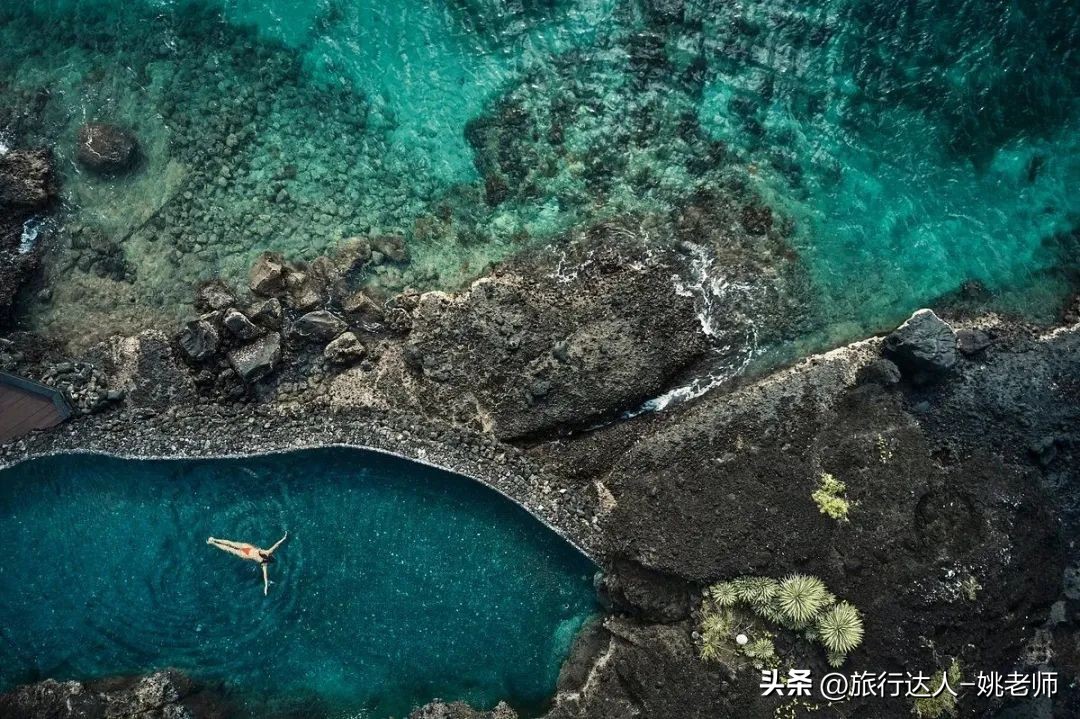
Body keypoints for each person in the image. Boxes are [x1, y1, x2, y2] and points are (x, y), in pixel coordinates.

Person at [207, 532, 288, 595]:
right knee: (228, 549)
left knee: (231, 543)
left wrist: (284, 538)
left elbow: (277, 545)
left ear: (272, 556)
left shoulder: (267, 552)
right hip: (245, 555)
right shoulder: (264, 564)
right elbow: (265, 578)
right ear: (269, 561)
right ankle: (212, 543)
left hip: (247, 548)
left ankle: (214, 539)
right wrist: (266, 588)